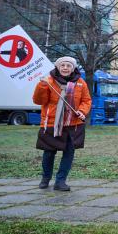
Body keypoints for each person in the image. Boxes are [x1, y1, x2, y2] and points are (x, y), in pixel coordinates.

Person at [33, 56, 92, 191]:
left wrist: (82, 111)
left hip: (73, 124)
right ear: (58, 67)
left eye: (68, 65)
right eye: (62, 65)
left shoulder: (81, 83)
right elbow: (38, 101)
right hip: (51, 123)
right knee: (49, 152)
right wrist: (41, 86)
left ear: (73, 68)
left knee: (69, 153)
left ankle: (60, 181)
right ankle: (45, 178)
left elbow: (86, 100)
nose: (65, 68)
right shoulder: (48, 81)